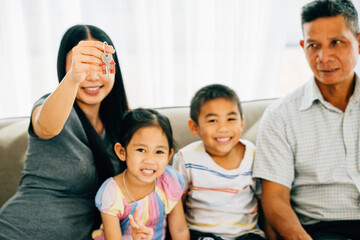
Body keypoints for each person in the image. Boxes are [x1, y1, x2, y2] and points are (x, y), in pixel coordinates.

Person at [0, 24, 129, 239]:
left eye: (99, 66)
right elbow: (45, 126)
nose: (92, 77)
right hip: (19, 231)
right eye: (81, 67)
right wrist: (73, 78)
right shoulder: (51, 106)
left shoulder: (122, 125)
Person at [253, 0, 360, 239]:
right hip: (321, 229)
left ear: (358, 42)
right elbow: (275, 199)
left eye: (336, 42)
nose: (323, 57)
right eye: (313, 45)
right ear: (303, 47)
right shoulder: (280, 116)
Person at [172, 84, 265, 240]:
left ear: (241, 123)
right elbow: (176, 204)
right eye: (213, 120)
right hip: (203, 234)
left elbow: (264, 200)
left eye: (230, 119)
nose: (223, 128)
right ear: (194, 127)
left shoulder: (253, 154)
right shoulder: (186, 158)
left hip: (246, 234)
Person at [92, 108, 190, 240]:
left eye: (159, 152)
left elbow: (180, 231)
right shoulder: (112, 194)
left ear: (169, 156)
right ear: (122, 152)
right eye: (141, 150)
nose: (150, 160)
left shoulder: (168, 182)